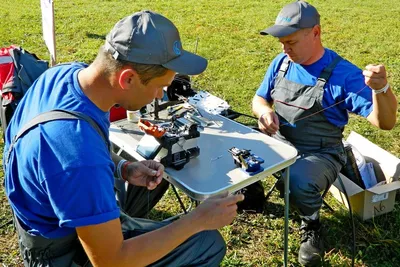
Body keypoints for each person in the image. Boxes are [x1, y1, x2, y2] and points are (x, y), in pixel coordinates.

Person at [4, 10, 244, 267]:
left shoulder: (63, 76)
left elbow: (74, 149)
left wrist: (123, 167)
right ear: (127, 78)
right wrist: (197, 220)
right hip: (60, 254)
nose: (158, 97)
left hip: (54, 218)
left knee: (161, 162)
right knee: (207, 244)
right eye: (160, 88)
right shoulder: (79, 157)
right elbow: (111, 261)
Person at [252, 1, 397, 266]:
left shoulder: (344, 75)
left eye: (291, 42)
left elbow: (385, 123)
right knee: (237, 144)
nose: (285, 49)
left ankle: (312, 225)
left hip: (320, 153)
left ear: (315, 33)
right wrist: (263, 113)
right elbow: (259, 99)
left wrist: (381, 90)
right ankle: (252, 197)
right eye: (282, 42)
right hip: (279, 141)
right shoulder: (281, 62)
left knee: (297, 181)